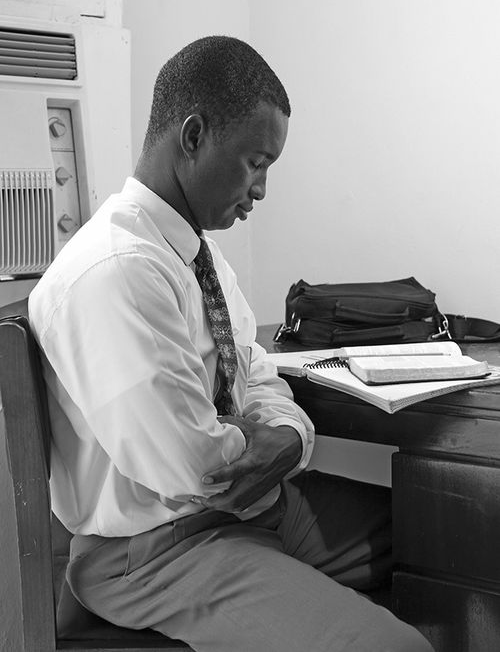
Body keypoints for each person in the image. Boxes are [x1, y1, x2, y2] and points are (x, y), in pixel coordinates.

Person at [29, 36, 433, 652]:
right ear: (193, 136)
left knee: (457, 538)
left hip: (251, 507)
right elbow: (196, 469)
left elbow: (256, 368)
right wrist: (271, 444)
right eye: (256, 162)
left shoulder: (196, 254)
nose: (262, 190)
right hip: (163, 548)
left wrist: (291, 434)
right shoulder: (115, 270)